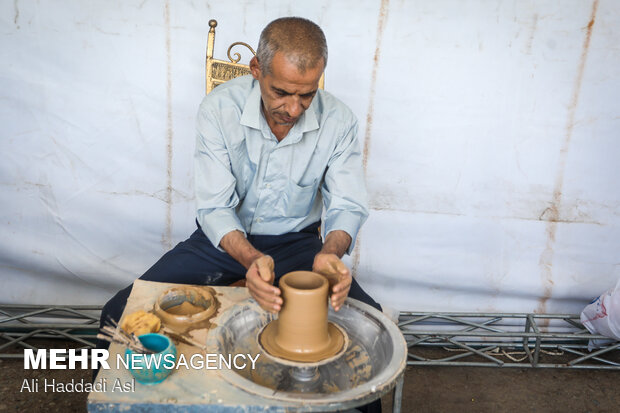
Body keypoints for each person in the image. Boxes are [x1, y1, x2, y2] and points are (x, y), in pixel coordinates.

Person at [99, 16, 381, 412]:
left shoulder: (340, 121)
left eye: (307, 95)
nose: (294, 108)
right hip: (222, 241)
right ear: (256, 70)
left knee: (368, 330)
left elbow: (347, 204)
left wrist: (331, 253)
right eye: (281, 92)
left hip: (299, 245)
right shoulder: (218, 110)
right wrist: (249, 259)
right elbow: (214, 208)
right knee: (118, 314)